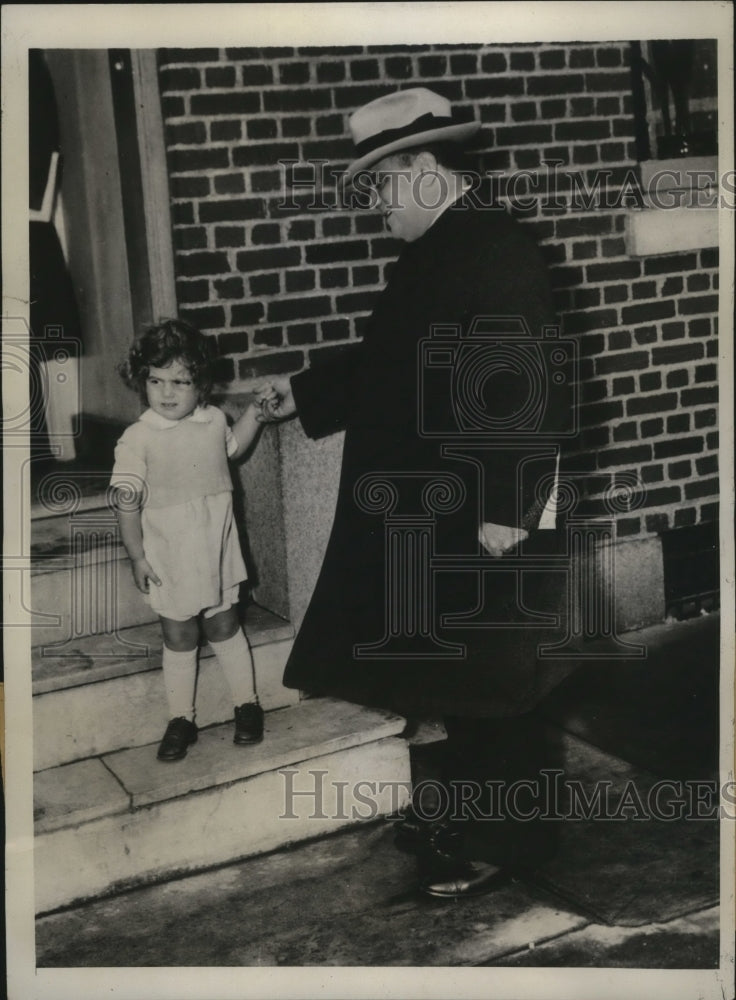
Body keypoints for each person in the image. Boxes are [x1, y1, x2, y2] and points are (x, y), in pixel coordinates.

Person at [260, 88, 577, 897]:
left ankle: (506, 848)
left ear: (426, 170)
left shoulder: (495, 248)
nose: (376, 208)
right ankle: (465, 819)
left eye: (381, 187)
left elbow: (524, 377)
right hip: (434, 508)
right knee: (452, 675)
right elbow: (386, 359)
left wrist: (509, 503)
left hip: (482, 509)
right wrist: (295, 393)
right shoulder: (439, 251)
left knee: (492, 683)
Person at [111, 319, 266, 761]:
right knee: (179, 635)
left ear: (201, 386)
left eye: (181, 381)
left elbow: (233, 447)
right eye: (156, 380)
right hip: (170, 555)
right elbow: (125, 503)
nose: (167, 392)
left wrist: (255, 412)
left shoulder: (213, 419)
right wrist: (137, 556)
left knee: (224, 625)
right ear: (142, 382)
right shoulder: (138, 437)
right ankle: (182, 717)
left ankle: (247, 704)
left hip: (214, 548)